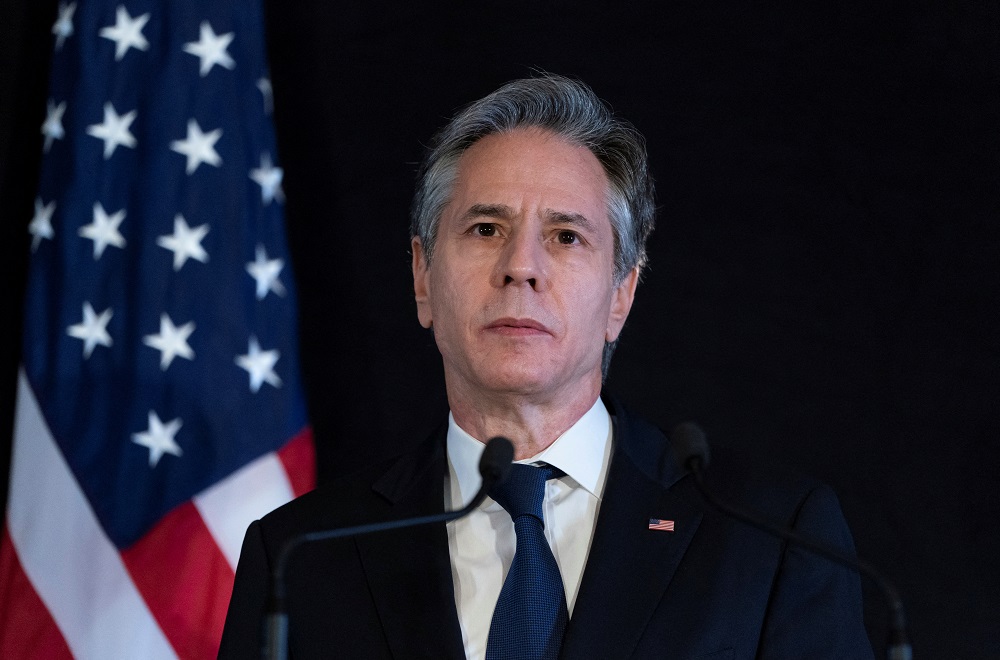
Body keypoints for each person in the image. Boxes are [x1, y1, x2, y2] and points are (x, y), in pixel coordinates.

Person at [219, 74, 873, 659]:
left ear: (621, 294)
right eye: (485, 229)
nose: (521, 267)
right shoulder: (302, 555)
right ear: (422, 276)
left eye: (565, 236)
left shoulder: (772, 537)